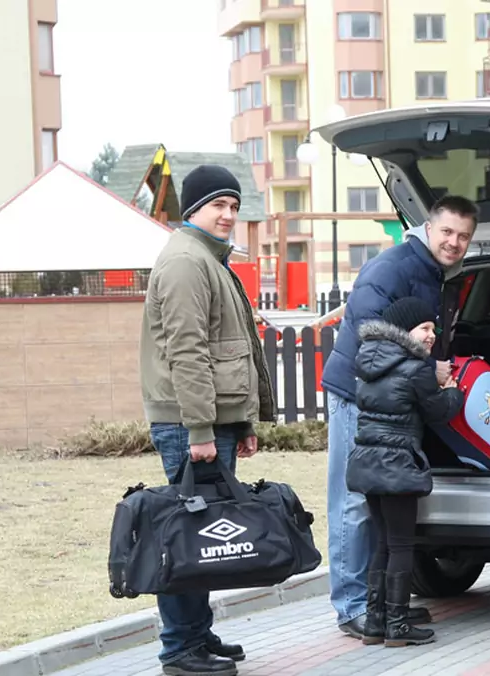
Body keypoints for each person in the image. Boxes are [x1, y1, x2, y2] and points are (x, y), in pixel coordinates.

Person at [319, 195, 479, 639]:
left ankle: (384, 608)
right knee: (354, 501)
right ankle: (352, 606)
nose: (454, 242)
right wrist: (430, 370)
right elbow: (371, 335)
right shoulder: (393, 267)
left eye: (463, 236)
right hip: (357, 395)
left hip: (387, 400)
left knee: (378, 503)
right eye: (447, 232)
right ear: (428, 228)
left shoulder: (436, 272)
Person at [140, 165, 275, 676]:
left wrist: (240, 424)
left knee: (204, 537)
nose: (228, 215)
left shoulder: (207, 260)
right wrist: (199, 431)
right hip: (187, 424)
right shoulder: (184, 262)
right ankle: (179, 649)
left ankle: (196, 634)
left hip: (209, 423)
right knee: (187, 536)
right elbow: (188, 353)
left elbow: (230, 347)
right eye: (218, 205)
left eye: (235, 207)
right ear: (192, 209)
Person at [345, 297, 464, 647]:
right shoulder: (415, 370)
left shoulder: (367, 364)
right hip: (397, 465)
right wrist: (453, 392)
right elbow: (439, 411)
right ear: (404, 332)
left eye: (433, 329)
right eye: (425, 328)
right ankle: (397, 625)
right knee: (401, 545)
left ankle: (375, 622)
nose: (431, 336)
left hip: (366, 463)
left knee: (381, 544)